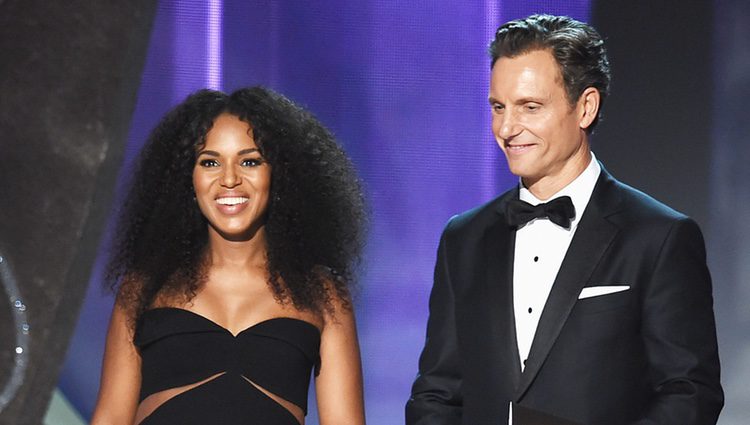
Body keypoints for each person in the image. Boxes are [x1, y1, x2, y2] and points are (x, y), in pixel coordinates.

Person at [406, 14, 723, 425]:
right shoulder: (464, 238)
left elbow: (688, 395)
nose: (506, 127)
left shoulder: (658, 237)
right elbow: (437, 391)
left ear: (585, 107)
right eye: (498, 107)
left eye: (529, 107)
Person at [91, 86, 367, 425]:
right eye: (210, 162)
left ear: (278, 173)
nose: (230, 179)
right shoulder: (145, 288)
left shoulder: (322, 294)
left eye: (249, 161)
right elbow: (110, 418)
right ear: (186, 179)